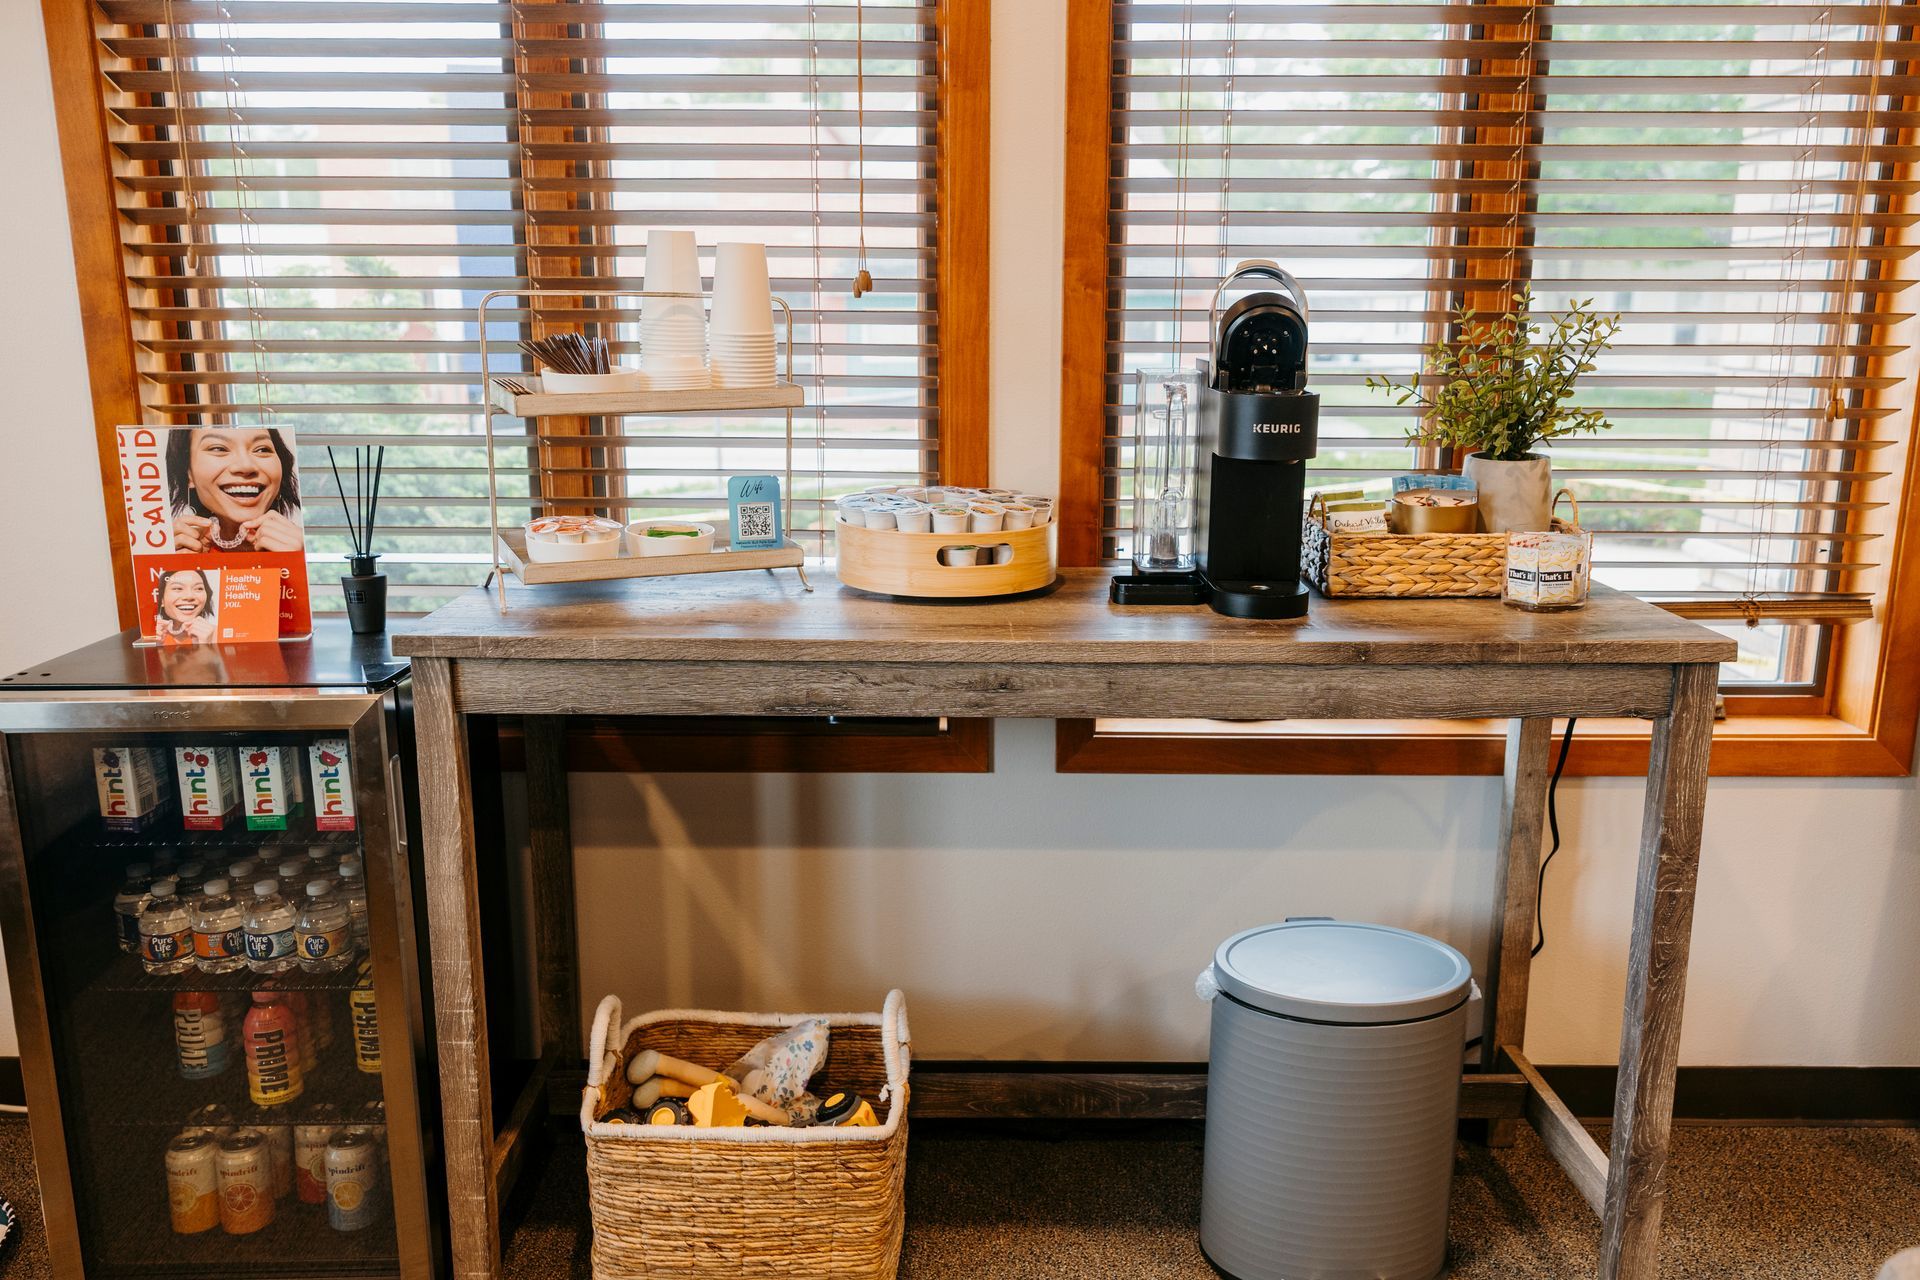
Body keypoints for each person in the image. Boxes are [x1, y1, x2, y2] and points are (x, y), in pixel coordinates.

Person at [167, 426, 304, 554]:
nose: (246, 466)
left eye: (262, 449)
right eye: (218, 449)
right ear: (188, 473)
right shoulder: (173, 552)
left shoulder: (303, 549)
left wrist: (298, 565)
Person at [154, 567, 217, 645]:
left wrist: (206, 646)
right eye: (178, 588)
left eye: (198, 588)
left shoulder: (219, 634)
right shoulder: (148, 635)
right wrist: (153, 647)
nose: (189, 596)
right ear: (162, 599)